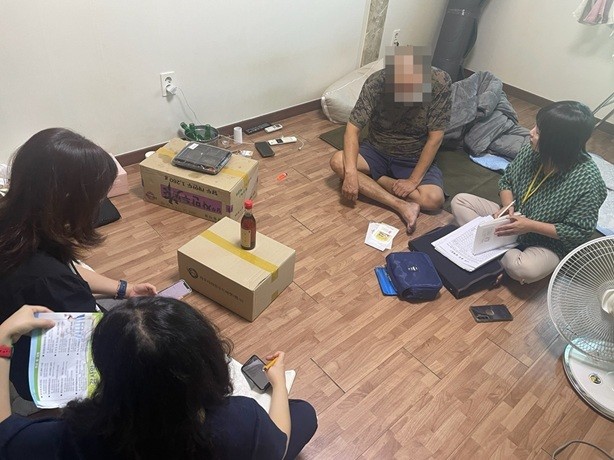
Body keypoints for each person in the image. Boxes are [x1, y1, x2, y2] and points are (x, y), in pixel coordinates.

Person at [0, 299, 318, 459]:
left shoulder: (75, 436)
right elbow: (280, 444)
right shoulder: (239, 421)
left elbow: (5, 436)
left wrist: (3, 341)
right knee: (303, 413)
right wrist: (277, 384)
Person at [0, 128, 157, 401]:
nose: (100, 205)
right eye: (97, 198)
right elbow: (89, 335)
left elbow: (66, 269)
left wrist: (125, 288)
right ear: (68, 200)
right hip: (46, 373)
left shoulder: (14, 223)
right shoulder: (51, 283)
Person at [451, 101, 607, 284]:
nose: (530, 133)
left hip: (547, 240)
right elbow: (507, 180)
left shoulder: (587, 181)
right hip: (512, 219)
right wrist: (506, 208)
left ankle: (486, 248)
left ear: (558, 143)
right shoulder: (532, 151)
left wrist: (530, 226)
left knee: (524, 269)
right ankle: (496, 252)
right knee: (460, 201)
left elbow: (578, 232)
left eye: (539, 132)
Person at [330, 45, 452, 233]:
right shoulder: (376, 83)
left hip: (413, 156)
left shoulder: (440, 83)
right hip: (377, 149)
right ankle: (401, 205)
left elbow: (435, 138)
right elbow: (352, 130)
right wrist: (352, 173)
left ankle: (375, 180)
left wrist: (413, 181)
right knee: (338, 162)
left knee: (433, 200)